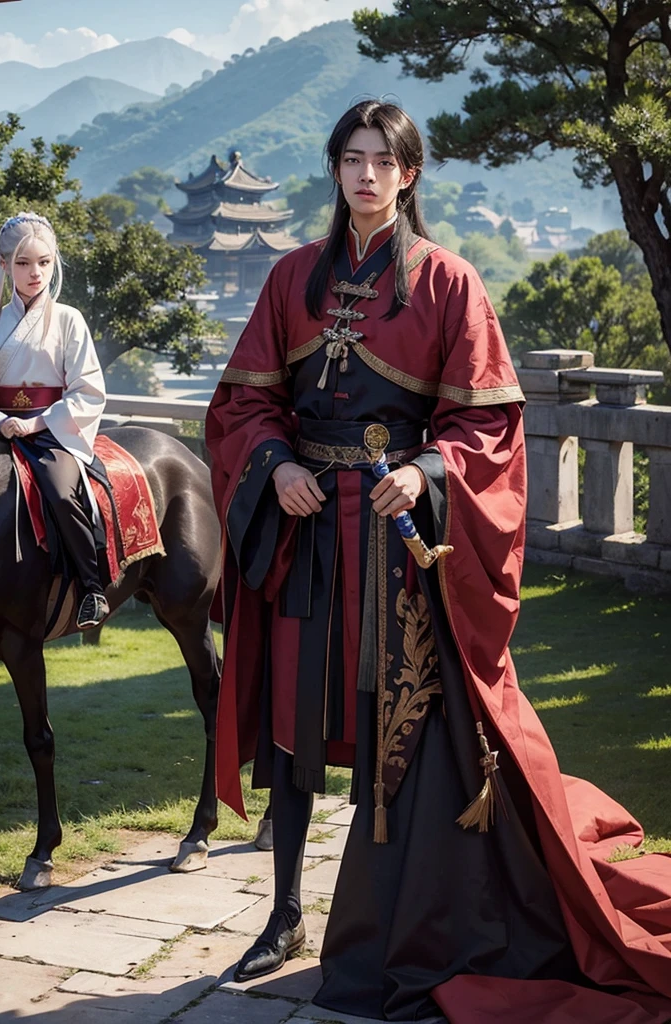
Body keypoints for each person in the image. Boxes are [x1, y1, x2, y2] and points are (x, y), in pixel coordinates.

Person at [205, 101, 671, 1022]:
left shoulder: (451, 284)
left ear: (410, 174)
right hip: (307, 538)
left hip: (397, 548)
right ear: (334, 170)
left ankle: (396, 925)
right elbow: (240, 403)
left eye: (385, 160)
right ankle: (286, 911)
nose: (367, 175)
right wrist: (276, 464)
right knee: (294, 732)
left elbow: (490, 423)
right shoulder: (292, 278)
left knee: (398, 736)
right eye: (352, 158)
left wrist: (426, 471)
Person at [0, 212, 109, 630]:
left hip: (52, 434)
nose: (34, 272)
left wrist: (38, 423)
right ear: (4, 266)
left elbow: (88, 390)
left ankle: (91, 588)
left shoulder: (68, 320)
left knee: (60, 493)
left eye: (43, 262)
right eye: (23, 263)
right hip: (0, 429)